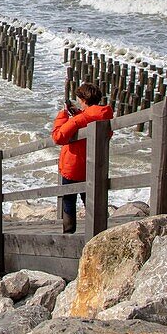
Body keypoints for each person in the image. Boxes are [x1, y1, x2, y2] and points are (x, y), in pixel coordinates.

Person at [51, 83, 113, 234]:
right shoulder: (105, 114)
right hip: (94, 166)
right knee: (91, 200)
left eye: (79, 99)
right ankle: (98, 231)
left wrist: (64, 114)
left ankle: (68, 233)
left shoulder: (79, 120)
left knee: (69, 201)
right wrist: (78, 113)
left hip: (73, 167)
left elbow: (57, 137)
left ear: (83, 99)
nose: (78, 101)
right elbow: (91, 116)